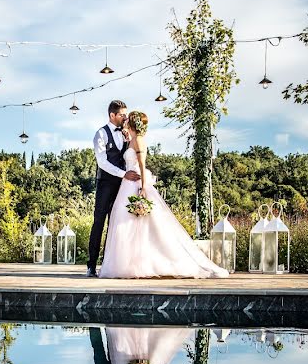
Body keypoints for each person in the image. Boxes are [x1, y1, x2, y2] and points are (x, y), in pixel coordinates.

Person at [98, 110, 229, 279]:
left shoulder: (139, 140)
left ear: (132, 122)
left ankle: (146, 263)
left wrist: (144, 187)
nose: (125, 119)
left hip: (136, 183)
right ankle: (129, 263)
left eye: (128, 118)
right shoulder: (131, 139)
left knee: (141, 224)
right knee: (126, 224)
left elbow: (142, 165)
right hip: (127, 184)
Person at [87, 100, 141, 278]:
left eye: (125, 114)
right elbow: (102, 162)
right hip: (105, 184)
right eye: (122, 115)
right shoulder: (100, 134)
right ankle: (91, 265)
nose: (125, 117)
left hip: (123, 186)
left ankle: (110, 265)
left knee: (116, 225)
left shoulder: (126, 135)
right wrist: (122, 174)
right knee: (99, 222)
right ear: (112, 115)